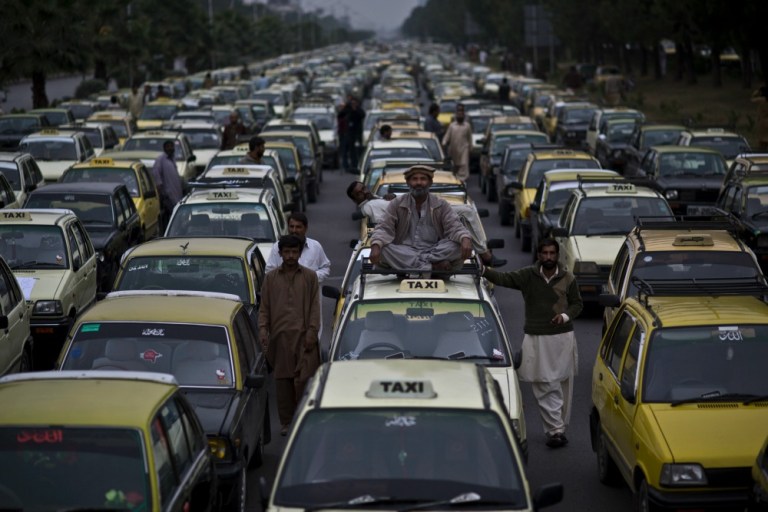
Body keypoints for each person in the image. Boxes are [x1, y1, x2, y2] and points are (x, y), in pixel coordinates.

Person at [481, 238, 583, 448]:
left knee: (561, 383)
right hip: (536, 338)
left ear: (557, 255)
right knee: (544, 383)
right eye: (544, 253)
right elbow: (503, 278)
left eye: (552, 253)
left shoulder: (568, 278)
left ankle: (558, 427)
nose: (548, 257)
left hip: (562, 338)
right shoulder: (528, 275)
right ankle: (555, 430)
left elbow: (577, 304)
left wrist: (564, 316)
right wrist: (483, 270)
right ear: (539, 255)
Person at [347, 180, 506, 268]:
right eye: (359, 193)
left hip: (422, 210)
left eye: (364, 188)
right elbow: (385, 224)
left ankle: (480, 252)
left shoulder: (375, 199)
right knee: (467, 211)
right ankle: (484, 254)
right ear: (355, 200)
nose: (365, 192)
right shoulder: (368, 207)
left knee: (461, 233)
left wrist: (389, 198)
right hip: (416, 221)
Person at [258, 234, 321, 436]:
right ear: (280, 253)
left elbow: (315, 308)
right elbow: (264, 307)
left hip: (304, 338)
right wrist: (263, 329)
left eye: (294, 252)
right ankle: (286, 422)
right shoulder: (271, 279)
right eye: (287, 252)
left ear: (300, 253)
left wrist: (312, 331)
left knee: (305, 380)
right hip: (280, 339)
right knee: (283, 381)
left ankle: (305, 419)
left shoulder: (310, 277)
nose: (291, 256)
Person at [369, 165, 472, 274]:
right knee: (384, 249)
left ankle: (417, 265)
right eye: (414, 179)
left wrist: (464, 238)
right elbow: (384, 227)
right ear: (408, 182)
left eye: (423, 179)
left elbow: (454, 226)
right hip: (405, 251)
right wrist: (376, 244)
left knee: (459, 245)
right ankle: (432, 267)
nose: (419, 183)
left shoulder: (441, 204)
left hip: (434, 250)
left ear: (430, 182)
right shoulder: (397, 204)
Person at [265, 212, 331, 282]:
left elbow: (325, 267)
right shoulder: (277, 247)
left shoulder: (315, 247)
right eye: (291, 226)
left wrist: (311, 277)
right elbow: (269, 271)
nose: (294, 230)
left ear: (306, 228)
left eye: (298, 227)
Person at [151, 140, 184, 230]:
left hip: (176, 195)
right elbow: (155, 172)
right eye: (168, 147)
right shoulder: (161, 159)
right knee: (170, 219)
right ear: (164, 148)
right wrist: (160, 188)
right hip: (168, 196)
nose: (170, 148)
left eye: (171, 146)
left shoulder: (172, 159)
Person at [442, 103, 472, 182]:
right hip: (454, 151)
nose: (460, 114)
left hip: (464, 150)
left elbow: (469, 139)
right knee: (455, 169)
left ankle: (462, 183)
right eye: (459, 112)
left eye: (462, 112)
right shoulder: (452, 126)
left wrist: (470, 149)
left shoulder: (467, 126)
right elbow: (446, 137)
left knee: (463, 166)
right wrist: (444, 143)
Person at [338, 96, 366, 172]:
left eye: (354, 103)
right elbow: (340, 115)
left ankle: (356, 165)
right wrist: (346, 107)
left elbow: (362, 115)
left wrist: (355, 109)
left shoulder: (359, 110)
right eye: (352, 103)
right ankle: (347, 166)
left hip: (357, 133)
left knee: (357, 150)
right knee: (347, 150)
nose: (353, 104)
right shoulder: (348, 109)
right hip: (348, 133)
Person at [752, 83, 768, 151]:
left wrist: (756, 93)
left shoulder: (761, 100)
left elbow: (752, 99)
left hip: (762, 123)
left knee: (762, 143)